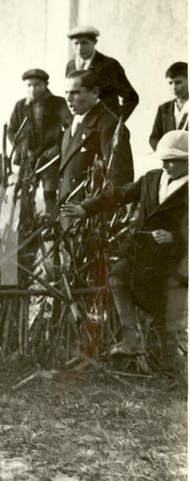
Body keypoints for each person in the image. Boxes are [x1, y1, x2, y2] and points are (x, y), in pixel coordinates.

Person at [61, 130, 187, 387]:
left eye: (174, 160)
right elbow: (120, 194)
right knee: (117, 276)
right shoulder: (152, 179)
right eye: (164, 159)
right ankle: (132, 338)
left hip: (171, 261)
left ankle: (168, 374)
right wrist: (86, 207)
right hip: (139, 250)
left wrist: (175, 238)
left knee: (165, 316)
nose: (167, 165)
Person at [58, 69, 134, 230]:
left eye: (75, 92)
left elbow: (120, 180)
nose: (68, 98)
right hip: (72, 214)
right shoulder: (72, 123)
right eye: (66, 92)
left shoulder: (108, 125)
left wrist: (91, 208)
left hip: (93, 217)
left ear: (94, 93)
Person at [8, 68, 71, 212]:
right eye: (29, 85)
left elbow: (69, 126)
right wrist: (22, 150)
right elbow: (12, 130)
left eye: (37, 85)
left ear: (45, 85)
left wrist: (58, 147)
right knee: (26, 192)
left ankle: (51, 225)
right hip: (28, 158)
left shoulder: (58, 103)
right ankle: (27, 225)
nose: (32, 89)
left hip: (49, 157)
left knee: (50, 192)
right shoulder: (20, 106)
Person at [65, 25, 139, 121]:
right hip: (80, 124)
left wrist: (117, 122)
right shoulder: (71, 65)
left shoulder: (109, 65)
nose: (79, 48)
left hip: (103, 124)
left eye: (84, 43)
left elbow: (131, 97)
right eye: (76, 43)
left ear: (94, 42)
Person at [149, 62, 188, 151]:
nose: (174, 87)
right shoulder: (164, 109)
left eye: (178, 82)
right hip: (169, 160)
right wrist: (163, 149)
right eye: (170, 83)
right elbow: (154, 138)